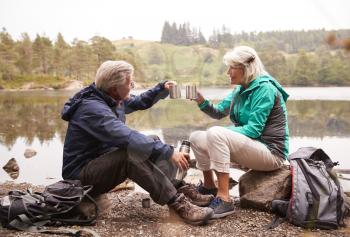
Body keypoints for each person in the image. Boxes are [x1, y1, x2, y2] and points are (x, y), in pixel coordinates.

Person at [61, 60, 214, 225]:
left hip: (100, 164)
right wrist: (169, 151)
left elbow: (139, 102)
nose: (132, 86)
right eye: (130, 83)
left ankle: (178, 187)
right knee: (130, 155)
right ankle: (177, 203)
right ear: (114, 87)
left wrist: (161, 88)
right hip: (81, 177)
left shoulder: (109, 97)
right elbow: (126, 137)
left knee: (152, 140)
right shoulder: (92, 109)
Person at [189, 46, 289, 219]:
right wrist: (201, 100)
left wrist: (219, 136)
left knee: (215, 134)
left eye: (232, 68)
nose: (228, 72)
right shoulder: (240, 89)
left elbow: (253, 129)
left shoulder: (265, 89)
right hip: (253, 147)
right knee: (196, 137)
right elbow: (218, 112)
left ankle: (224, 199)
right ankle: (209, 187)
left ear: (246, 68)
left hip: (272, 153)